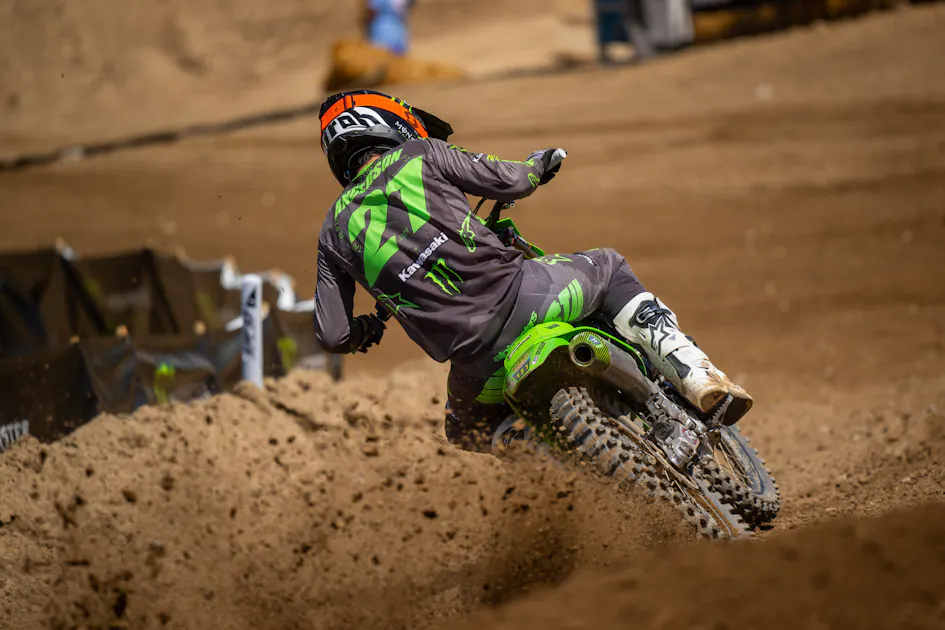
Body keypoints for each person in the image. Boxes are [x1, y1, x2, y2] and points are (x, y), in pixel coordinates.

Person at [313, 89, 752, 452]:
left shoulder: (332, 231)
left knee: (464, 431)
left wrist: (366, 329)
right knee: (610, 267)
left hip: (475, 365)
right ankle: (696, 376)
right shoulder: (421, 153)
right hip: (530, 299)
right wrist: (539, 164)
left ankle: (549, 467)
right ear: (390, 123)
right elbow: (512, 181)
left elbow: (332, 335)